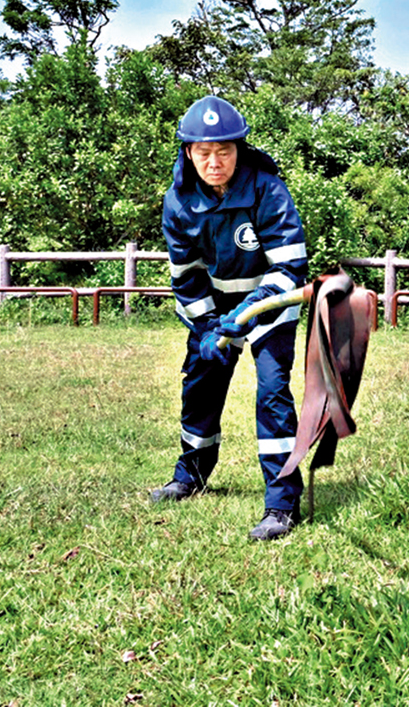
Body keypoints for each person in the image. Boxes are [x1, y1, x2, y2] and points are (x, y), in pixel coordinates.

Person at [149, 94, 308, 542]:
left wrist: (247, 312)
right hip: (217, 315)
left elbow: (288, 265)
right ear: (188, 153)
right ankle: (191, 475)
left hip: (269, 307)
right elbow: (186, 276)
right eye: (204, 152)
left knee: (273, 394)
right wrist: (205, 328)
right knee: (199, 385)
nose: (214, 162)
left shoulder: (267, 189)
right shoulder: (177, 203)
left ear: (239, 150)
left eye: (224, 151)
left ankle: (281, 504)